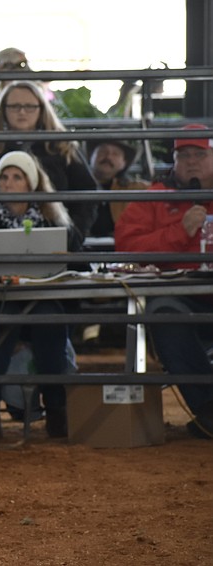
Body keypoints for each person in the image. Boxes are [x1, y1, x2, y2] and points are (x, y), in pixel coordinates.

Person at [0, 151, 82, 437]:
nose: (8, 183)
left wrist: (61, 255)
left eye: (17, 177)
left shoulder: (54, 217)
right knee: (0, 322)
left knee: (50, 320)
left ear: (32, 183)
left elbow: (79, 257)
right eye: (3, 177)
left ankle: (57, 411)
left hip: (42, 299)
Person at [115, 124, 213, 439]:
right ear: (173, 159)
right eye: (183, 154)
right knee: (163, 313)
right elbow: (126, 247)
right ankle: (209, 409)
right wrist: (179, 232)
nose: (192, 161)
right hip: (177, 296)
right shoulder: (154, 198)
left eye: (200, 153)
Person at [0, 80, 99, 237]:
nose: (22, 112)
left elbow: (87, 194)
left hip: (52, 237)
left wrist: (73, 235)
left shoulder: (63, 147)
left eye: (29, 106)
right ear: (3, 109)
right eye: (15, 106)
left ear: (41, 109)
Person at [87, 139, 149, 237]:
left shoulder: (137, 189)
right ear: (91, 157)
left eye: (115, 154)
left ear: (123, 163)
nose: (108, 157)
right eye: (103, 151)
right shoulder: (72, 185)